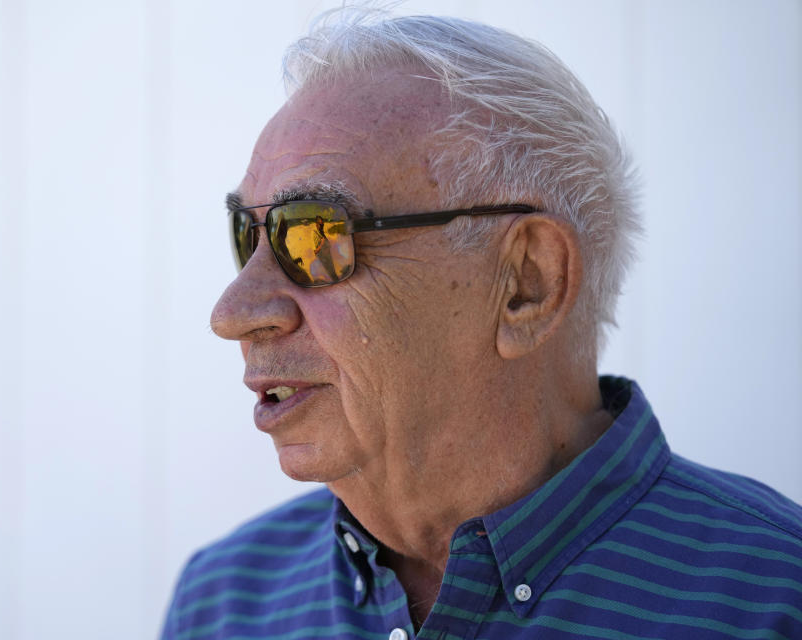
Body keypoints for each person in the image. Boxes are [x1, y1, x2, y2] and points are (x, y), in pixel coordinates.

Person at [162, 9, 802, 639]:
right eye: (247, 233)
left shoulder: (772, 600)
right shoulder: (226, 599)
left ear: (527, 283)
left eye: (315, 235)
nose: (233, 313)